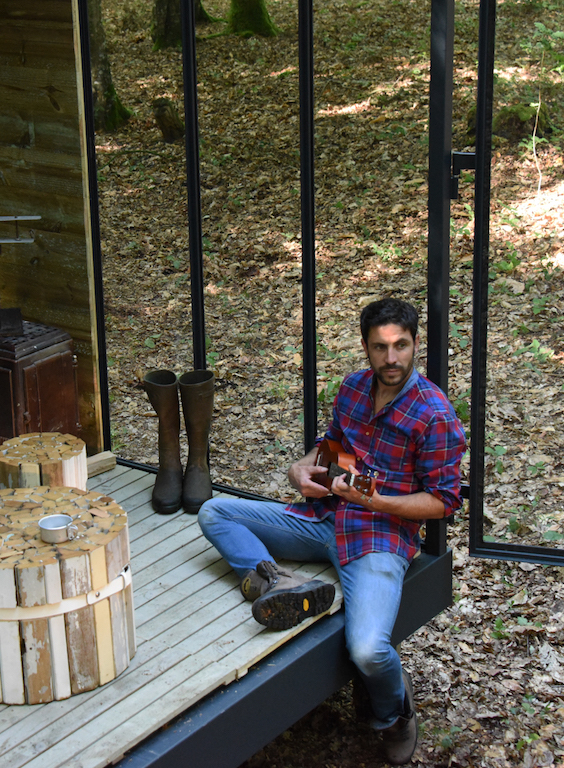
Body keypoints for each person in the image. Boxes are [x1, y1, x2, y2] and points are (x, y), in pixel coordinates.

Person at [197, 297, 466, 765]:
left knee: (366, 648)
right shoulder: (353, 388)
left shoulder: (434, 414)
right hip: (323, 521)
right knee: (215, 512)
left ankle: (393, 714)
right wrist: (300, 471)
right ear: (366, 347)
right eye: (381, 347)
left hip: (379, 539)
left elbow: (444, 501)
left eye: (401, 345)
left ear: (415, 343)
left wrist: (376, 501)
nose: (392, 358)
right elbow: (330, 446)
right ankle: (277, 579)